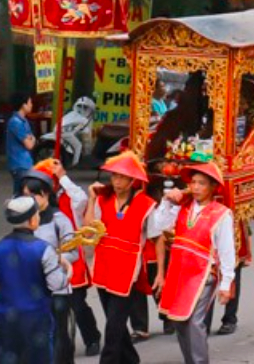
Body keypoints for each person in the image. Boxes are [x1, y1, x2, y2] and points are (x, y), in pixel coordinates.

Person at [150, 162, 235, 364]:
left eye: (202, 183)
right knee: (179, 320)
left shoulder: (221, 214)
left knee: (194, 322)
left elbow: (226, 251)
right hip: (179, 272)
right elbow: (158, 227)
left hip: (203, 273)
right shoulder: (181, 207)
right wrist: (167, 201)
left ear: (213, 187)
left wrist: (226, 284)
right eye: (193, 182)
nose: (196, 187)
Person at [84, 152, 157, 364]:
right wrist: (91, 199)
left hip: (127, 268)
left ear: (132, 180)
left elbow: (157, 237)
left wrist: (160, 272)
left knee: (114, 323)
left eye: (122, 177)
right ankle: (131, 360)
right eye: (114, 176)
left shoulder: (146, 204)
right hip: (103, 263)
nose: (116, 181)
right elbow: (89, 229)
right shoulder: (103, 199)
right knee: (113, 320)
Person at [33, 158, 103, 357]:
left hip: (70, 258)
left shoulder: (69, 197)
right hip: (45, 261)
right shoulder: (34, 204)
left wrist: (62, 176)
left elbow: (81, 199)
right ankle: (56, 345)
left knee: (77, 304)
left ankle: (92, 337)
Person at [0, 196, 70, 363]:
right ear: (32, 219)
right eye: (37, 214)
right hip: (36, 320)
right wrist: (66, 269)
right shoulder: (43, 249)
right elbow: (57, 284)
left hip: (6, 320)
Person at [21, 168, 80, 364]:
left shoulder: (60, 221)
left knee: (58, 334)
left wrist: (53, 259)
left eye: (32, 195)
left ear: (45, 194)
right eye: (25, 195)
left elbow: (73, 253)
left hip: (57, 288)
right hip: (32, 287)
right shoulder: (25, 221)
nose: (28, 199)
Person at [6, 93, 37, 193]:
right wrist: (31, 139)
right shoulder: (15, 122)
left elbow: (31, 138)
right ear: (23, 105)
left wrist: (31, 138)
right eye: (30, 102)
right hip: (19, 164)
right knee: (22, 195)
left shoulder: (23, 121)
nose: (31, 105)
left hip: (25, 163)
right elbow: (29, 144)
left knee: (24, 194)